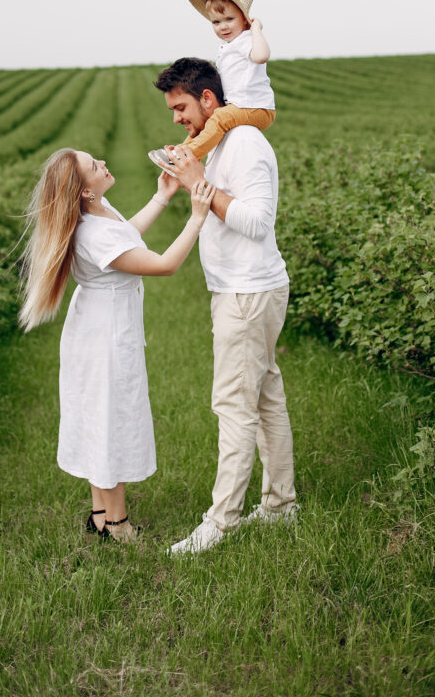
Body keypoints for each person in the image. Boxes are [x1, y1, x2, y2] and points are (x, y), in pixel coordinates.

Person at [18, 147, 215, 543]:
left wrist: (162, 196)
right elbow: (163, 265)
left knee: (99, 417)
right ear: (84, 192)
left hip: (99, 328)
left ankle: (99, 515)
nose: (104, 163)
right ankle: (117, 524)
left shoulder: (98, 214)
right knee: (109, 422)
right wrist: (197, 217)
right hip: (104, 338)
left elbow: (126, 238)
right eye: (95, 166)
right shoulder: (93, 232)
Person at [153, 58, 296, 555]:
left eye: (181, 108)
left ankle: (222, 521)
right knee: (265, 396)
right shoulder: (218, 142)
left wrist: (199, 183)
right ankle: (280, 506)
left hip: (247, 293)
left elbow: (257, 222)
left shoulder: (247, 142)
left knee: (234, 405)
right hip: (245, 288)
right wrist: (187, 176)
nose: (177, 118)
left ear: (208, 99)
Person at [148, 0, 275, 167]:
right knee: (209, 123)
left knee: (219, 119)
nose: (223, 26)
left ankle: (187, 157)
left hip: (255, 107)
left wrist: (256, 28)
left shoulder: (246, 40)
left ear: (244, 18)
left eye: (229, 19)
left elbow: (262, 56)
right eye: (216, 22)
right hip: (239, 106)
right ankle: (180, 152)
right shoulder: (227, 46)